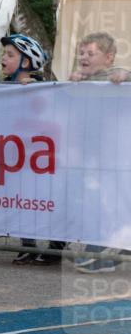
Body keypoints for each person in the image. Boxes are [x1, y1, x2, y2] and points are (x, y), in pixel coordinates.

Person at [0, 34, 65, 266]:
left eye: (10, 55)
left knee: (46, 201)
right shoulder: (3, 88)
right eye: (3, 54)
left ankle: (57, 245)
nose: (3, 58)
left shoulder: (40, 88)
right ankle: (28, 245)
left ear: (26, 63)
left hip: (40, 158)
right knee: (21, 201)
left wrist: (35, 88)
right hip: (17, 158)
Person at [68, 32, 128, 272]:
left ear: (109, 57)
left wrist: (125, 76)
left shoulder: (116, 77)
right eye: (81, 53)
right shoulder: (81, 81)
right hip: (89, 154)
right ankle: (101, 255)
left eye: (90, 53)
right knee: (94, 203)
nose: (83, 57)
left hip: (116, 156)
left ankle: (98, 254)